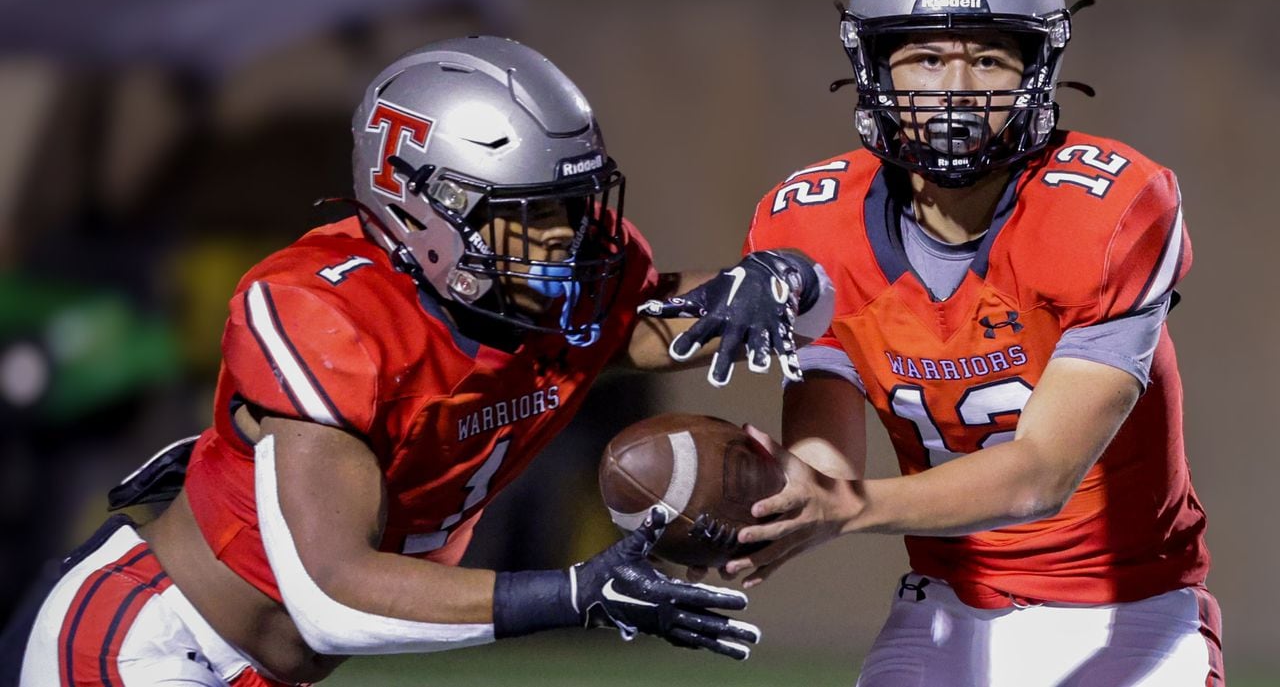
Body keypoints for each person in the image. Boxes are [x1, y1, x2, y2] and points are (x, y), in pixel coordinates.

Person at [11, 36, 834, 685]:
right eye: (533, 214)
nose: (568, 239)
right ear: (423, 211)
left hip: (266, 669)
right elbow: (332, 591)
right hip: (140, 646)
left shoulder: (555, 289)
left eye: (576, 207)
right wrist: (573, 593)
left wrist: (782, 279)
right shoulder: (330, 314)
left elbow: (669, 319)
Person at [671, 0, 1223, 686]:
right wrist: (786, 503)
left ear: (1037, 70)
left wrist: (843, 503)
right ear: (876, 68)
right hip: (949, 604)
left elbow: (1039, 473)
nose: (956, 91)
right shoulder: (809, 224)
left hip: (1130, 607)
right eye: (926, 59)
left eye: (990, 59)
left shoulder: (1110, 208)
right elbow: (827, 443)